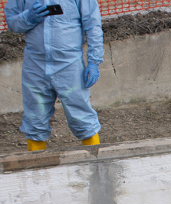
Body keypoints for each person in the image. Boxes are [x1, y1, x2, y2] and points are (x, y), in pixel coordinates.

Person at [5, 0, 104, 151]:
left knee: (82, 117)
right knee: (34, 119)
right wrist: (28, 18)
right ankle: (37, 169)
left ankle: (95, 163)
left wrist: (94, 61)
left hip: (70, 65)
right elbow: (12, 23)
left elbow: (93, 25)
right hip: (35, 66)